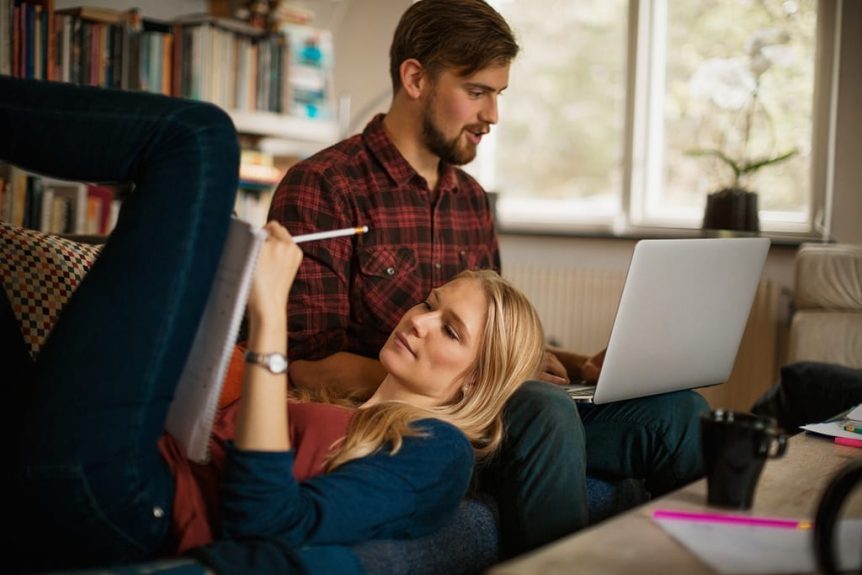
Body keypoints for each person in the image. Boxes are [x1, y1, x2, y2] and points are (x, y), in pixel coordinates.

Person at [0, 76, 547, 574]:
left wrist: (268, 321)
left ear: (477, 380)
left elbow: (266, 523)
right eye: (430, 303)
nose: (420, 322)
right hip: (125, 456)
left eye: (450, 331)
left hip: (134, 500)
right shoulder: (343, 400)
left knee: (199, 137)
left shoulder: (440, 452)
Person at [268, 0, 709, 556]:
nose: (493, 115)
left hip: (488, 401)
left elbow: (492, 328)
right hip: (413, 422)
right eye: (477, 91)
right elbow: (306, 363)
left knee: (679, 412)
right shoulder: (323, 186)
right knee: (543, 409)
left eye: (499, 94)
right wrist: (478, 384)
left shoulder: (471, 200)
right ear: (415, 78)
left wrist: (578, 365)